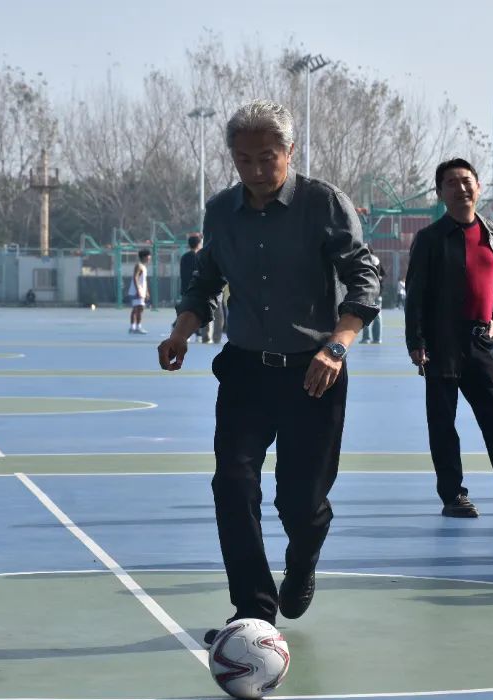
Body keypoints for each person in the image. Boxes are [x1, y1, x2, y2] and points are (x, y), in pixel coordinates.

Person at [159, 100, 380, 642]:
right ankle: (254, 608)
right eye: (244, 159)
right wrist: (182, 331)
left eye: (267, 157)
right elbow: (206, 282)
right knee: (232, 484)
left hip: (315, 374)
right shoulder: (221, 211)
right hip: (245, 372)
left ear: (289, 151)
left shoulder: (323, 204)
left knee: (300, 503)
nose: (256, 170)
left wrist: (337, 349)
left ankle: (303, 559)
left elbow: (364, 280)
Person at [404, 158, 493, 519]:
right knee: (443, 423)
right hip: (441, 343)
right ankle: (453, 495)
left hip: (480, 344)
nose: (461, 188)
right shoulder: (430, 238)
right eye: (451, 183)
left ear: (478, 187)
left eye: (466, 181)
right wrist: (416, 341)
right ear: (440, 193)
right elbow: (416, 294)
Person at [179, 234, 211, 342]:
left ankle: (187, 333)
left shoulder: (184, 257)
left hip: (186, 288)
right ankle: (196, 334)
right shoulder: (198, 257)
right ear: (198, 244)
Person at [359, 253, 385, 343]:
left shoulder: (364, 259)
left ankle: (366, 338)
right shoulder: (377, 260)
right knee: (378, 316)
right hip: (378, 291)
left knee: (366, 314)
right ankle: (377, 338)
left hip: (367, 291)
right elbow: (383, 275)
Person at [128, 248, 150, 334]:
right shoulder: (139, 266)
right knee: (139, 308)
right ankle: (137, 327)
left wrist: (146, 292)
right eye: (148, 257)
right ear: (144, 257)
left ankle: (132, 327)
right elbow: (135, 277)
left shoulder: (143, 267)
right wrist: (138, 290)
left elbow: (143, 281)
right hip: (137, 291)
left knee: (136, 309)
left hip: (141, 291)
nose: (149, 258)